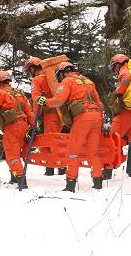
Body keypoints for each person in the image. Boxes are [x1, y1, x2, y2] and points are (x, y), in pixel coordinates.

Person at [37, 62, 104, 192]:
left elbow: (58, 101)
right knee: (93, 153)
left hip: (83, 118)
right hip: (96, 118)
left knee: (72, 153)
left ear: (62, 73)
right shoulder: (88, 81)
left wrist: (44, 101)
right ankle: (98, 182)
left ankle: (70, 184)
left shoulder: (67, 81)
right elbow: (99, 104)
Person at [23, 56, 65, 176]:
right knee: (58, 140)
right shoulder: (52, 76)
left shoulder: (37, 80)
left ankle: (52, 167)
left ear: (32, 68)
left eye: (28, 70)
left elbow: (36, 100)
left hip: (49, 115)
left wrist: (35, 117)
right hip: (60, 113)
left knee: (48, 141)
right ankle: (59, 166)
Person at [108, 54, 131, 142]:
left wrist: (119, 93)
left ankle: (116, 156)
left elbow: (127, 78)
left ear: (118, 64)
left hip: (126, 113)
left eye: (114, 67)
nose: (114, 70)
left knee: (112, 140)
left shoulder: (124, 70)